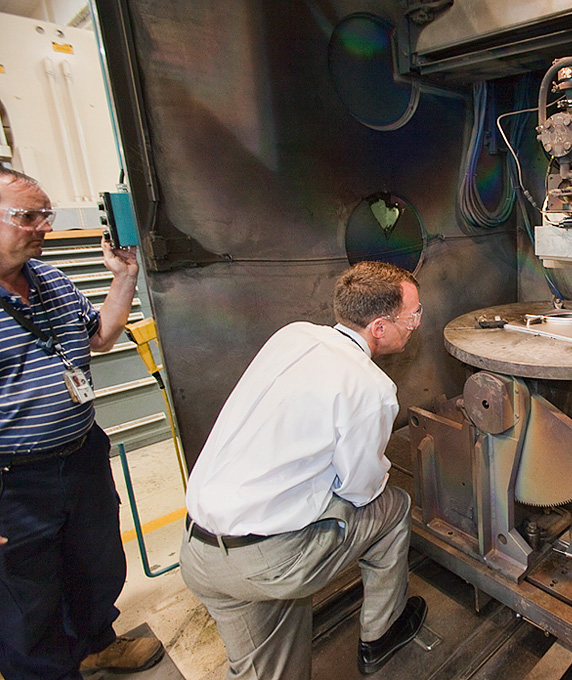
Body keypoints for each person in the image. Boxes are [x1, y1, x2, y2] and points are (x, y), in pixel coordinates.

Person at [180, 260, 428, 679]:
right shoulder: (371, 387)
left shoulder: (291, 335)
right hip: (266, 559)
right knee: (393, 507)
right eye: (413, 316)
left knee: (264, 671)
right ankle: (381, 635)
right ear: (381, 328)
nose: (417, 323)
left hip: (198, 549)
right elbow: (361, 490)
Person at [0, 168, 164, 678]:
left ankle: (96, 643)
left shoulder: (50, 279)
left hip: (80, 454)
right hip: (14, 480)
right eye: (28, 216)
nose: (44, 226)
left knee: (95, 564)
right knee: (27, 598)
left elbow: (101, 337)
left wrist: (124, 277)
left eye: (46, 215)